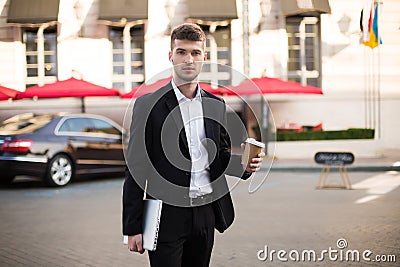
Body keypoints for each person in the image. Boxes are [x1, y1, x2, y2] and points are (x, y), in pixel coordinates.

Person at [123, 23, 264, 267]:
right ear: (171, 56)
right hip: (166, 215)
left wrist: (245, 165)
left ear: (204, 58)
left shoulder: (216, 104)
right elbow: (136, 167)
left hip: (206, 211)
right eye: (182, 52)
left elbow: (216, 157)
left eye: (195, 53)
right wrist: (132, 227)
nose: (189, 59)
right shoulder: (148, 105)